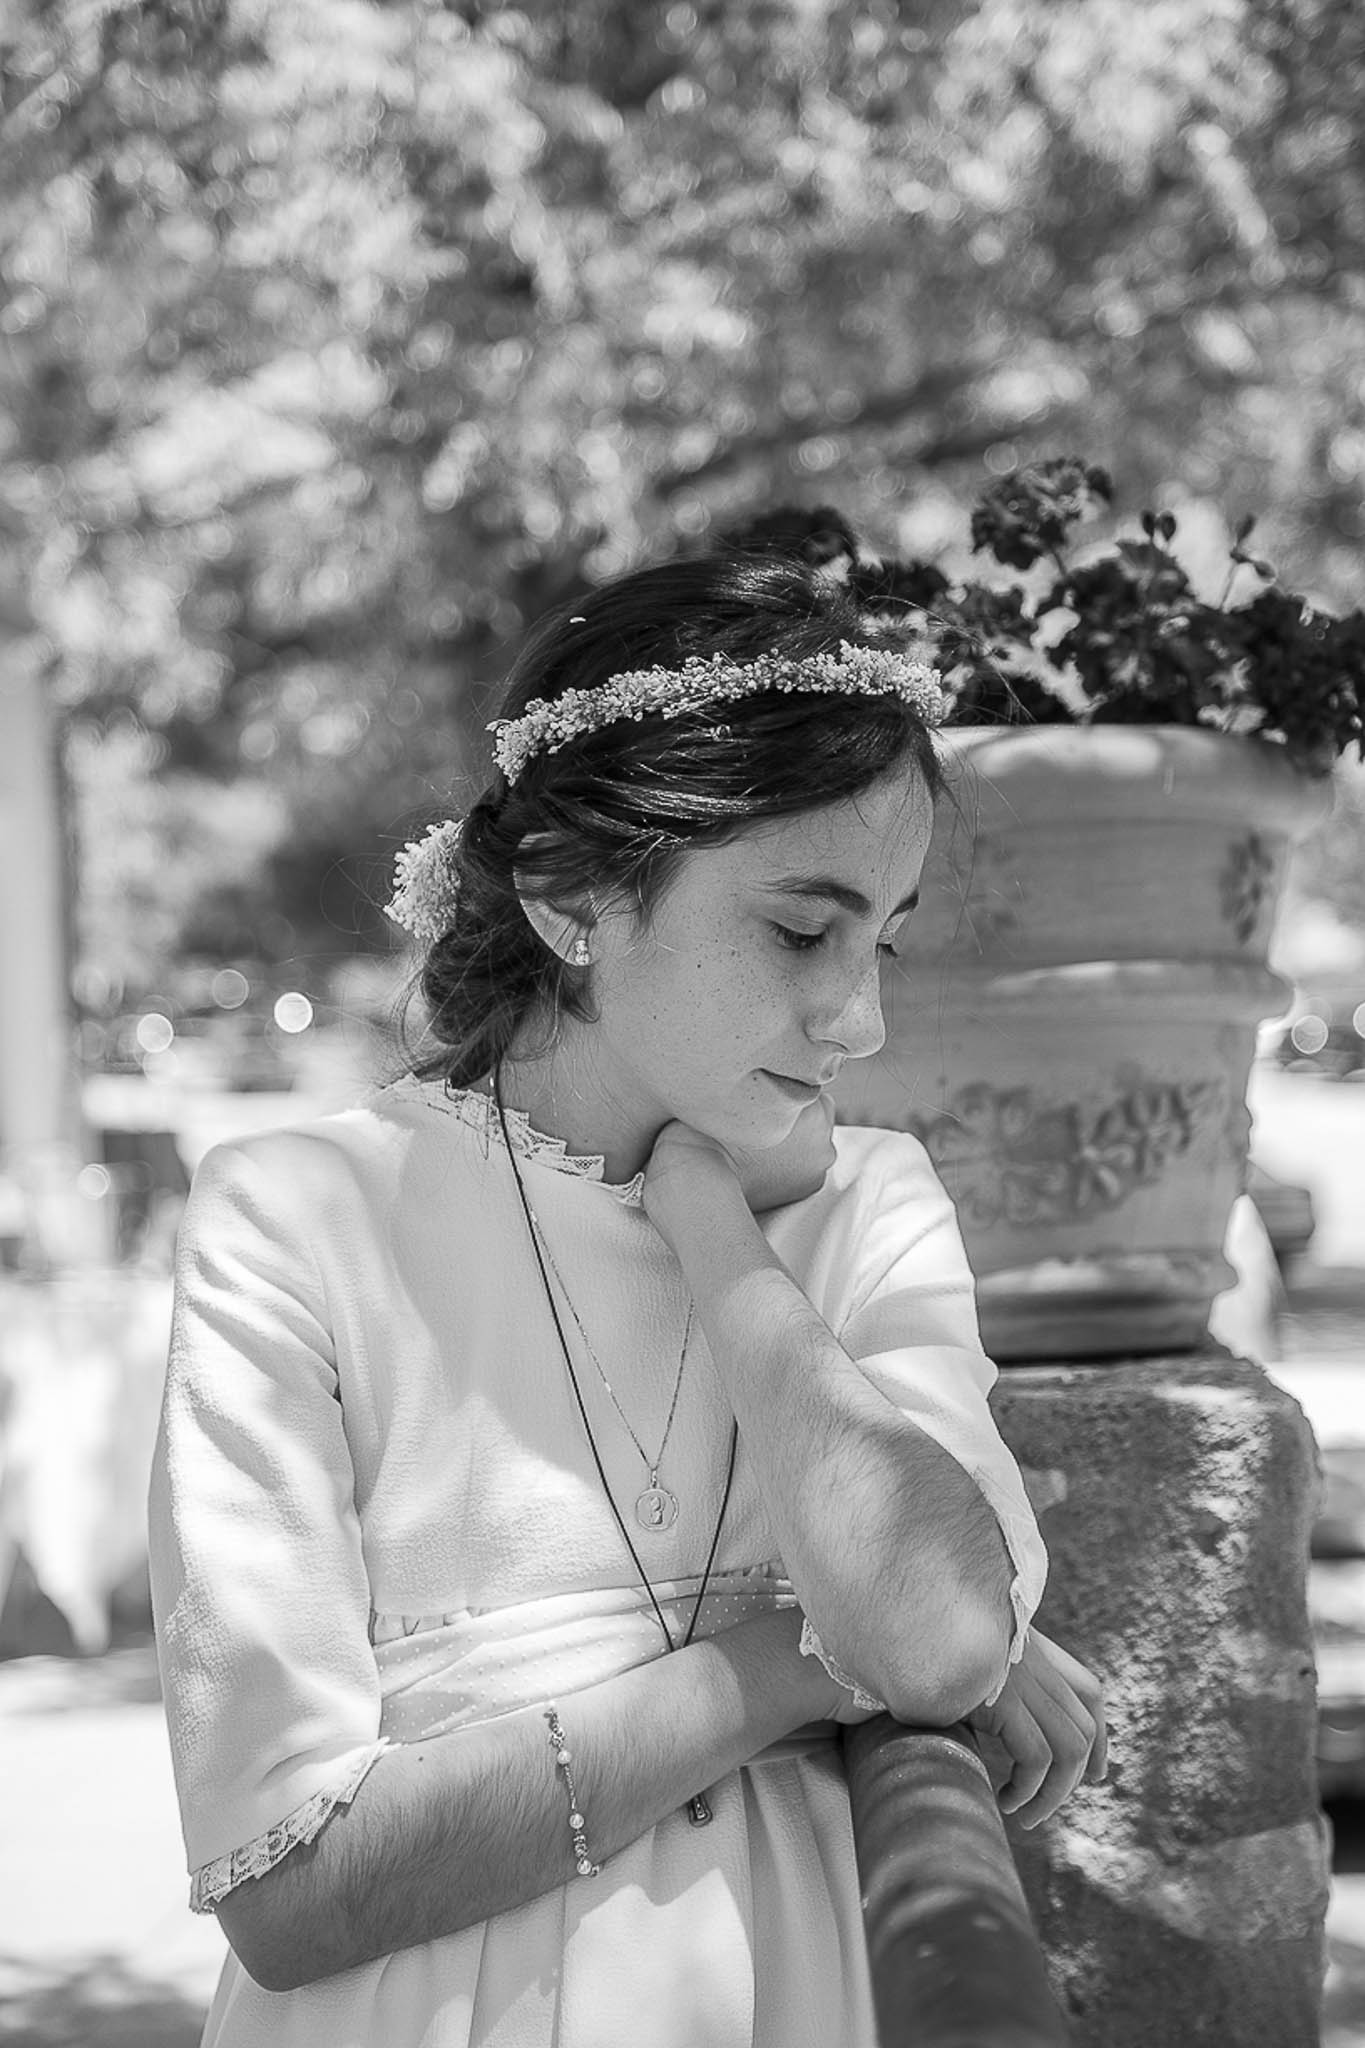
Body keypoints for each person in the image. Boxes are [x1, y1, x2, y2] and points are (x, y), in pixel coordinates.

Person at [149, 551, 1106, 2048]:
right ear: (570, 896)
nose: (860, 1019)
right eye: (801, 930)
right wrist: (791, 1662)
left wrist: (715, 1233)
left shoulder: (871, 1205)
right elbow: (288, 1887)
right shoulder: (296, 1218)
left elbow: (929, 1639)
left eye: (886, 939)